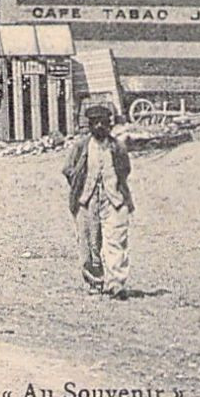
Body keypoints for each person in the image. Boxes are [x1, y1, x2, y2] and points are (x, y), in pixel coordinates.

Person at [61, 104, 136, 298]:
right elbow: (68, 169)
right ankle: (95, 281)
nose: (100, 126)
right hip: (86, 201)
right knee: (89, 244)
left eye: (104, 123)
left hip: (114, 200)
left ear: (109, 125)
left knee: (116, 241)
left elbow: (125, 169)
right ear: (90, 125)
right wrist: (79, 187)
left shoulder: (117, 146)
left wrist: (115, 188)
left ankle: (116, 283)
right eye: (96, 123)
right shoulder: (81, 146)